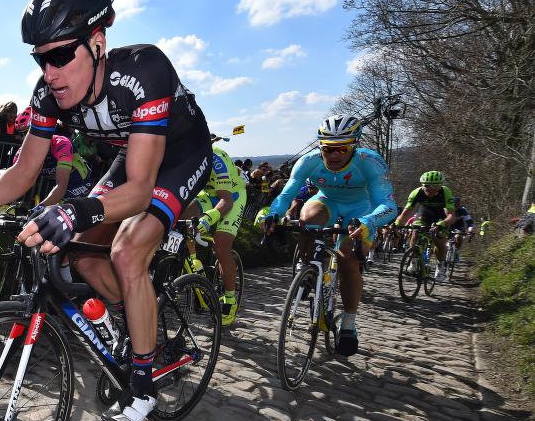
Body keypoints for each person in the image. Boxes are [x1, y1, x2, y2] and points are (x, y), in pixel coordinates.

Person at [0, 0, 216, 421]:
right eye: (41, 59)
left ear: (98, 43)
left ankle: (143, 383)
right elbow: (23, 171)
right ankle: (134, 321)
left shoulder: (145, 71)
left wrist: (72, 210)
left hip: (181, 157)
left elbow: (141, 189)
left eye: (60, 55)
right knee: (80, 252)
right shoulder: (49, 94)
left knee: (127, 250)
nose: (50, 72)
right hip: (132, 154)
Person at [260, 114, 397, 357]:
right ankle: (307, 268)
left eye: (342, 149)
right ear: (320, 147)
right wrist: (273, 215)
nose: (334, 155)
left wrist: (368, 221)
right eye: (328, 149)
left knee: (348, 261)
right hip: (326, 201)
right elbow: (286, 194)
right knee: (309, 219)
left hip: (361, 208)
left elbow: (388, 205)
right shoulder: (308, 161)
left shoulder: (369, 162)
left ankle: (349, 324)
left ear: (354, 146)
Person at [180, 144, 246, 326]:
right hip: (209, 194)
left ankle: (230, 299)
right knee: (180, 217)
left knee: (221, 247)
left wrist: (208, 220)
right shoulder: (178, 153)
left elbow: (226, 200)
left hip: (232, 196)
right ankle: (192, 262)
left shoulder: (216, 157)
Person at [392, 171, 456, 280]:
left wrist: (441, 224)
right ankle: (413, 263)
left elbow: (451, 215)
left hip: (441, 216)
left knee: (440, 242)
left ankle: (440, 267)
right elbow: (405, 213)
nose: (426, 189)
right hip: (424, 214)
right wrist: (397, 224)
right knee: (415, 233)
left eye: (430, 187)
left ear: (438, 186)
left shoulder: (445, 192)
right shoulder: (416, 192)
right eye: (424, 185)